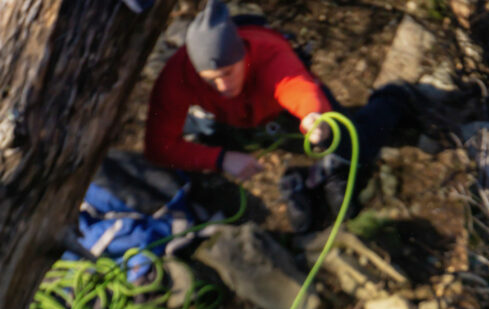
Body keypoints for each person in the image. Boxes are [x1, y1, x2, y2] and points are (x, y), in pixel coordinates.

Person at [144, 0, 414, 231]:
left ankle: (393, 98)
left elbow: (295, 84)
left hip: (275, 107)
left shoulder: (268, 53)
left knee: (360, 146)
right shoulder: (177, 76)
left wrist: (313, 115)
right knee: (203, 135)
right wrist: (221, 159)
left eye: (228, 73)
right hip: (235, 118)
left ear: (243, 55)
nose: (223, 86)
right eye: (211, 80)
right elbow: (158, 147)